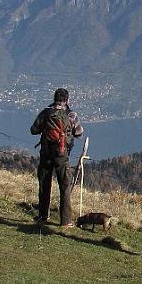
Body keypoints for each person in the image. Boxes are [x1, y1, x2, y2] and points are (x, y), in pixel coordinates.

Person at [29, 88, 84, 227]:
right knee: (64, 186)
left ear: (54, 98)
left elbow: (33, 130)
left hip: (46, 153)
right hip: (62, 155)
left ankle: (42, 216)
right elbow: (79, 133)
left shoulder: (46, 112)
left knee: (44, 184)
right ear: (67, 100)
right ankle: (65, 221)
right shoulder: (71, 115)